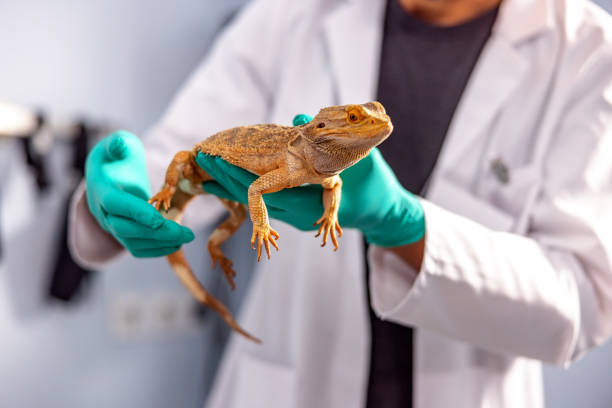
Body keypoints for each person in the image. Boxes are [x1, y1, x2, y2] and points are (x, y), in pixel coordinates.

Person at [70, 0, 612, 406]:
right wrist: (115, 199)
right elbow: (184, 155)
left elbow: (584, 298)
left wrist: (402, 224)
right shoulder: (294, 13)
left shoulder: (588, 52)